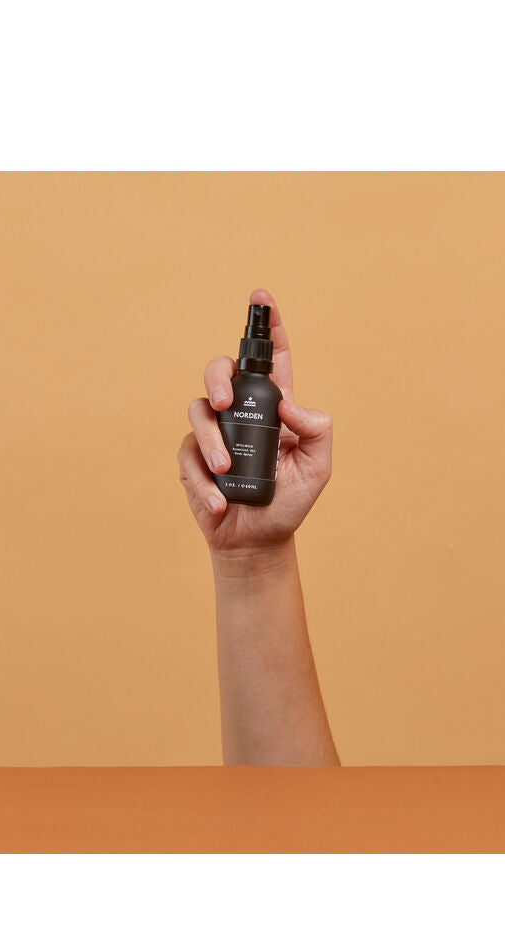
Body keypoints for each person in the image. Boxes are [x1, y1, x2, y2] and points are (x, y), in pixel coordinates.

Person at [177, 289, 340, 766]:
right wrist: (248, 554)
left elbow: (290, 809)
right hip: (245, 540)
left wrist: (260, 556)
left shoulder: (266, 396)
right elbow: (279, 805)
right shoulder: (256, 393)